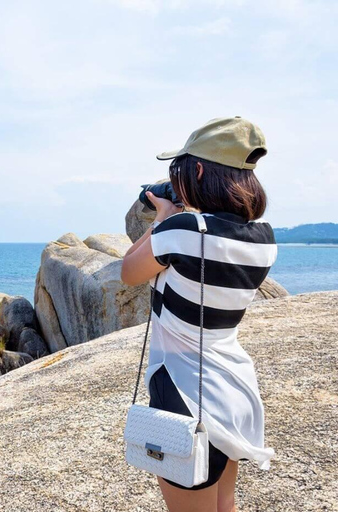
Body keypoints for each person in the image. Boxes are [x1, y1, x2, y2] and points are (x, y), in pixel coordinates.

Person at [121, 116, 277, 512]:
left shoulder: (185, 229)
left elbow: (129, 271)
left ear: (200, 170)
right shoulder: (264, 238)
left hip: (184, 390)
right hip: (233, 389)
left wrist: (163, 216)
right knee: (225, 505)